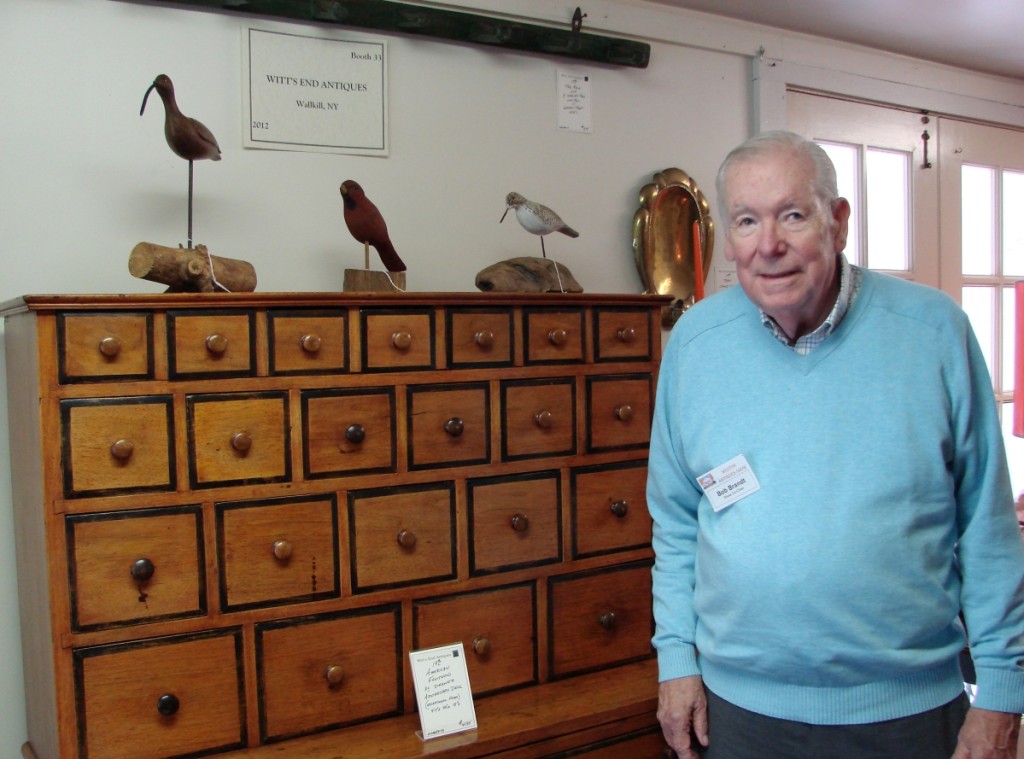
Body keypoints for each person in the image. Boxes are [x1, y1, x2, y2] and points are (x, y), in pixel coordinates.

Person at [646, 130, 1024, 759]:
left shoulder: (934, 334)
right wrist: (675, 660)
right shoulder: (693, 344)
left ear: (839, 222)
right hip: (736, 716)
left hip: (912, 716)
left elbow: (987, 529)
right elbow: (676, 523)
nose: (769, 246)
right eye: (746, 221)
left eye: (792, 215)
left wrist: (1004, 693)